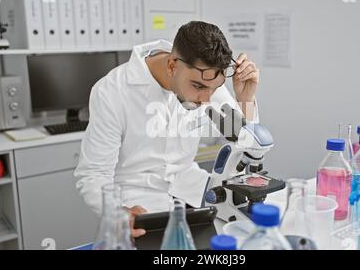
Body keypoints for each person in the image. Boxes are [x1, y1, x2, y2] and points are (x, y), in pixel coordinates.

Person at [74, 21, 261, 237]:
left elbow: (244, 141)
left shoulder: (205, 79)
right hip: (139, 209)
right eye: (198, 87)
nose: (206, 100)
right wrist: (118, 213)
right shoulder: (112, 91)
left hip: (195, 200)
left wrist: (245, 98)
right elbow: (93, 174)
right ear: (172, 65)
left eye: (215, 89)